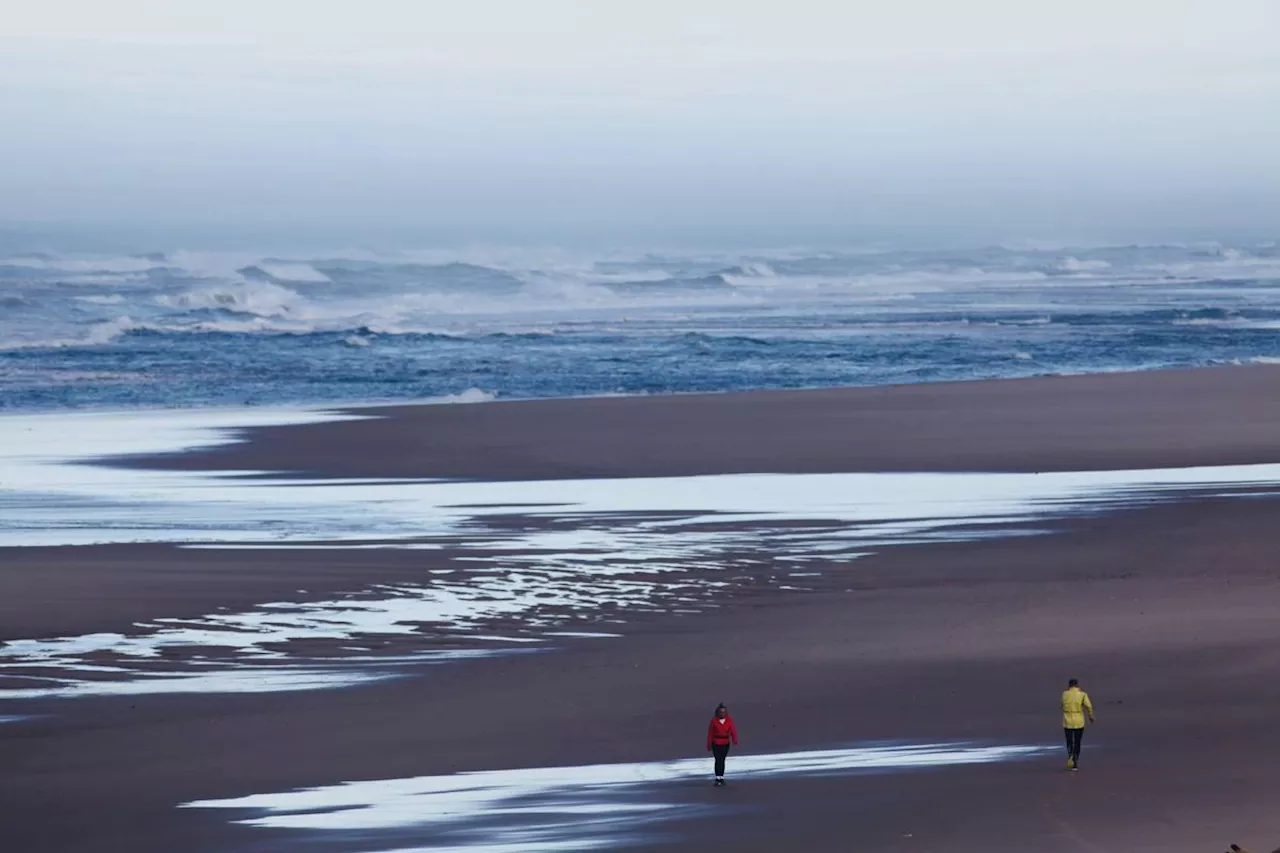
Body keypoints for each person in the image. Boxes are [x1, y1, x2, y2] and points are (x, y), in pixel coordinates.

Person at [1061, 678, 1094, 770]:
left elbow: (1062, 704)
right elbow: (1089, 706)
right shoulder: (1082, 695)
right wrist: (1091, 716)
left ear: (1069, 685)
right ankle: (1075, 760)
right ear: (1077, 685)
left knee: (1069, 741)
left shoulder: (1064, 694)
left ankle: (1070, 755)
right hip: (1079, 721)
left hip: (1067, 721)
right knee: (1077, 741)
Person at [706, 703, 739, 786]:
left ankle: (721, 777)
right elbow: (710, 733)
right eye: (721, 712)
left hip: (725, 743)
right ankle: (718, 778)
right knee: (718, 760)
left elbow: (733, 730)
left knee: (722, 760)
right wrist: (709, 744)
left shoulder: (729, 720)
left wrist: (735, 740)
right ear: (718, 712)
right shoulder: (714, 721)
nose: (722, 713)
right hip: (716, 743)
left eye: (724, 712)